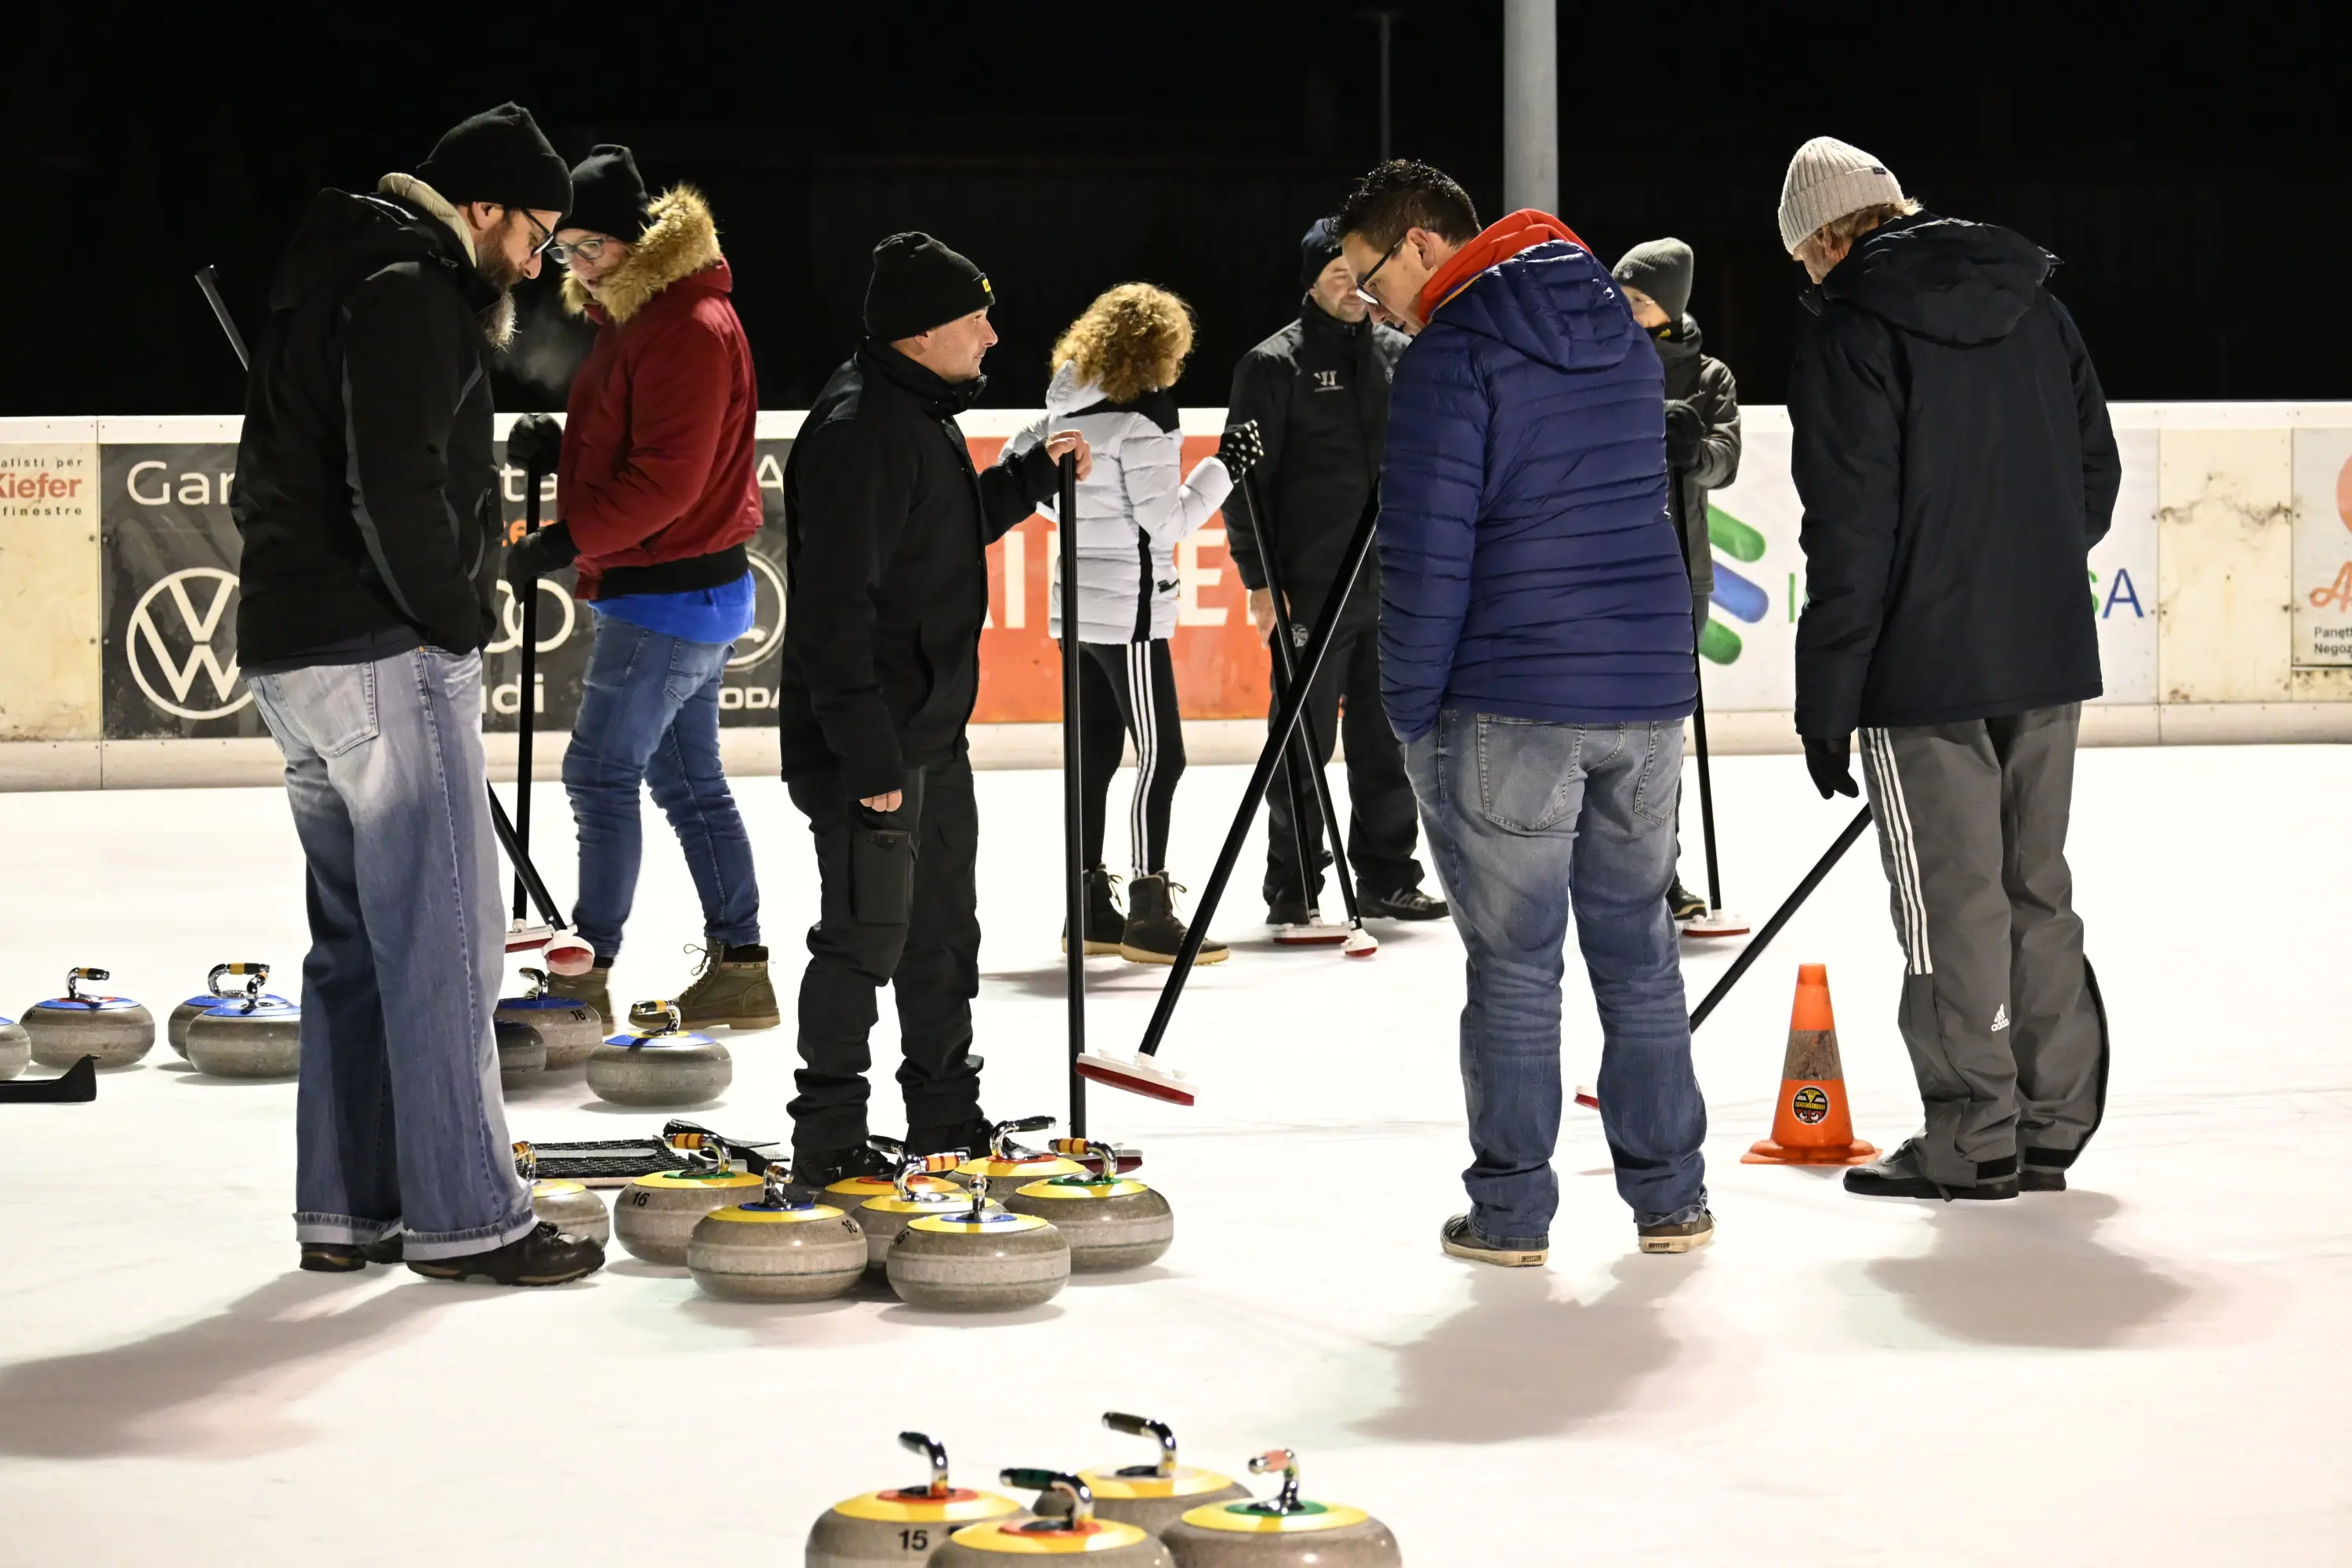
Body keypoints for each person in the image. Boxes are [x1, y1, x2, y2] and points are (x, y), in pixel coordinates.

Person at [229, 103, 603, 1286]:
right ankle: (469, 1218)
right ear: (483, 207)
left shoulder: (340, 273)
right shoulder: (410, 289)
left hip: (295, 649)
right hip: (381, 650)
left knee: (353, 945)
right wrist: (452, 614)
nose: (540, 260)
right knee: (444, 944)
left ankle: (348, 1211)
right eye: (537, 231)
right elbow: (395, 484)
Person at [1338, 158, 1710, 1263]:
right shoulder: (1616, 333)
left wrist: (1407, 710)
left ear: (1416, 245)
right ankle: (1671, 1200)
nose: (1369, 304)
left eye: (1367, 278)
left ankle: (1511, 1212)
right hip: (1642, 693)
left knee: (1514, 967)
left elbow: (1427, 556)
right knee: (1639, 953)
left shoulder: (1452, 354)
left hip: (1510, 698)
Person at [1778, 136, 2119, 1202]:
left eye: (1804, 256)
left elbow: (1850, 535)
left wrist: (1828, 698)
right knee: (2032, 886)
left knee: (1950, 903)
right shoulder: (2035, 302)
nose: (1807, 276)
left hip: (1920, 667)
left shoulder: (1853, 331)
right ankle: (2050, 1118)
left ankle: (1974, 1134)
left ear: (1831, 236)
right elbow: (2092, 475)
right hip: (2045, 648)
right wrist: (2030, 576)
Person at [776, 233, 1091, 1184]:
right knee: (866, 940)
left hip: (929, 733)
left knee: (944, 934)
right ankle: (829, 1136)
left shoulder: (921, 411)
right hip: (872, 746)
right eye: (975, 319)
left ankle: (944, 1116)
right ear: (922, 333)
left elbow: (938, 538)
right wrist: (870, 762)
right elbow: (836, 618)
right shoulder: (860, 431)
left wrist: (1026, 481)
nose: (994, 335)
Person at [503, 145, 772, 1033]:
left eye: (591, 248)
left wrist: (563, 538)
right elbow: (627, 438)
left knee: (599, 772)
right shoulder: (640, 316)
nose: (576, 266)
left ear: (636, 241)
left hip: (670, 592)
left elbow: (668, 481)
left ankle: (587, 969)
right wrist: (561, 448)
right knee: (689, 781)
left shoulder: (685, 325)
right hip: (676, 588)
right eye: (565, 249)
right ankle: (742, 964)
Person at [1001, 284, 1243, 964]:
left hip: (1074, 608)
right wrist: (1225, 470)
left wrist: (1072, 513)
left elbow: (1009, 468)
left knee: (1095, 757)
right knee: (1163, 755)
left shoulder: (1067, 408)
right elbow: (1168, 522)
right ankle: (1148, 908)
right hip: (1129, 612)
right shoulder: (1146, 420)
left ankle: (1087, 912)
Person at [1228, 219, 1445, 931]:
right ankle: (1294, 886)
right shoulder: (1272, 366)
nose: (1352, 288)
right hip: (1312, 589)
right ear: (1312, 283)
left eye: (1357, 274)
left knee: (1388, 741)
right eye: (1335, 276)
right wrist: (1261, 581)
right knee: (1301, 741)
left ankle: (1386, 877)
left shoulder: (1401, 354)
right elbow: (1244, 484)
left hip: (1394, 585)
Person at [1610, 238, 1742, 924]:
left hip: (1679, 571)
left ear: (1670, 305)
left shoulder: (1708, 376)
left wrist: (1695, 451)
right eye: (1621, 298)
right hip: (1606, 569)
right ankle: (1603, 866)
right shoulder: (1599, 360)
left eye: (1637, 300)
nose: (1625, 311)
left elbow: (1725, 458)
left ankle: (1663, 874)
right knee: (1609, 734)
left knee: (1663, 737)